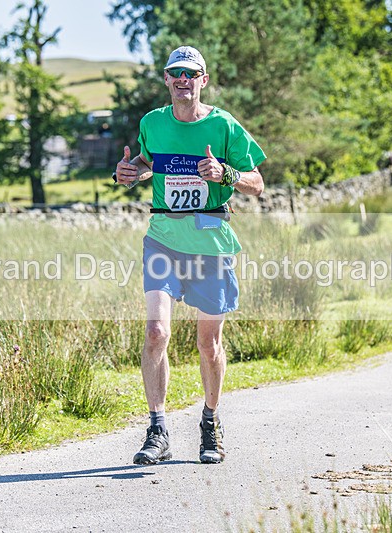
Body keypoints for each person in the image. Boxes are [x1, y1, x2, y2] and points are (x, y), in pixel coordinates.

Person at [113, 45, 265, 465]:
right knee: (156, 332)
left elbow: (257, 183)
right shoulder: (152, 122)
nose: (183, 79)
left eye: (191, 73)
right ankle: (157, 430)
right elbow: (147, 163)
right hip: (163, 238)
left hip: (210, 244)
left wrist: (226, 173)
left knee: (208, 344)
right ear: (166, 79)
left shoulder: (224, 125)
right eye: (175, 72)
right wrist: (129, 172)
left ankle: (210, 422)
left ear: (203, 80)